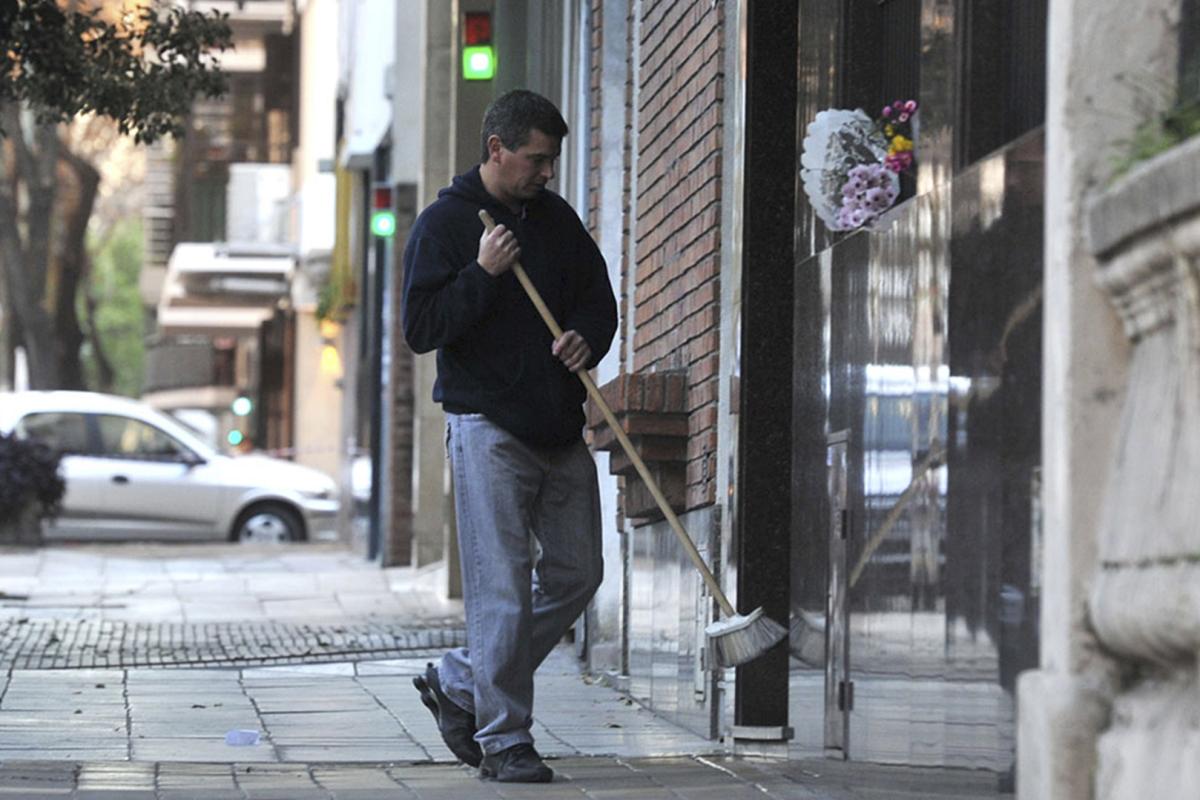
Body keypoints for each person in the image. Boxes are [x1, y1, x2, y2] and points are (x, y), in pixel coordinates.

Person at [401, 89, 617, 784]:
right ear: (497, 149)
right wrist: (483, 273)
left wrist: (590, 339)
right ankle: (504, 740)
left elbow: (597, 298)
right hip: (485, 425)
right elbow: (423, 328)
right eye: (536, 159)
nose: (546, 172)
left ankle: (461, 679)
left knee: (579, 572)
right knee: (501, 589)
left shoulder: (556, 221)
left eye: (551, 160)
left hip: (558, 425)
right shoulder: (445, 224)